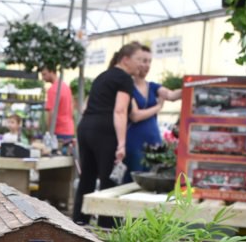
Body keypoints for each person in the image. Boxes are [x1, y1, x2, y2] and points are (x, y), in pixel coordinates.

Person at [72, 42, 142, 225]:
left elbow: (85, 107)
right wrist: (121, 143)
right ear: (125, 59)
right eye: (138, 59)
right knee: (108, 180)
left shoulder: (102, 76)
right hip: (105, 131)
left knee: (87, 177)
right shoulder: (125, 79)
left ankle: (79, 221)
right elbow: (120, 110)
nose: (141, 64)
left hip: (86, 127)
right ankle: (107, 226)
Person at [124, 44, 182, 176]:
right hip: (135, 142)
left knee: (154, 176)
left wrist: (189, 87)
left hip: (154, 142)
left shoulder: (153, 86)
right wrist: (158, 107)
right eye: (144, 61)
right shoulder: (128, 86)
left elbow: (171, 95)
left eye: (149, 61)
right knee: (135, 177)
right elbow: (135, 116)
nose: (147, 65)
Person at [41, 67, 75, 152]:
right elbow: (72, 107)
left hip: (58, 131)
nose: (43, 78)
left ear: (52, 72)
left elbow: (51, 113)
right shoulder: (66, 87)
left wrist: (49, 132)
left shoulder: (53, 90)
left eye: (44, 74)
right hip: (69, 129)